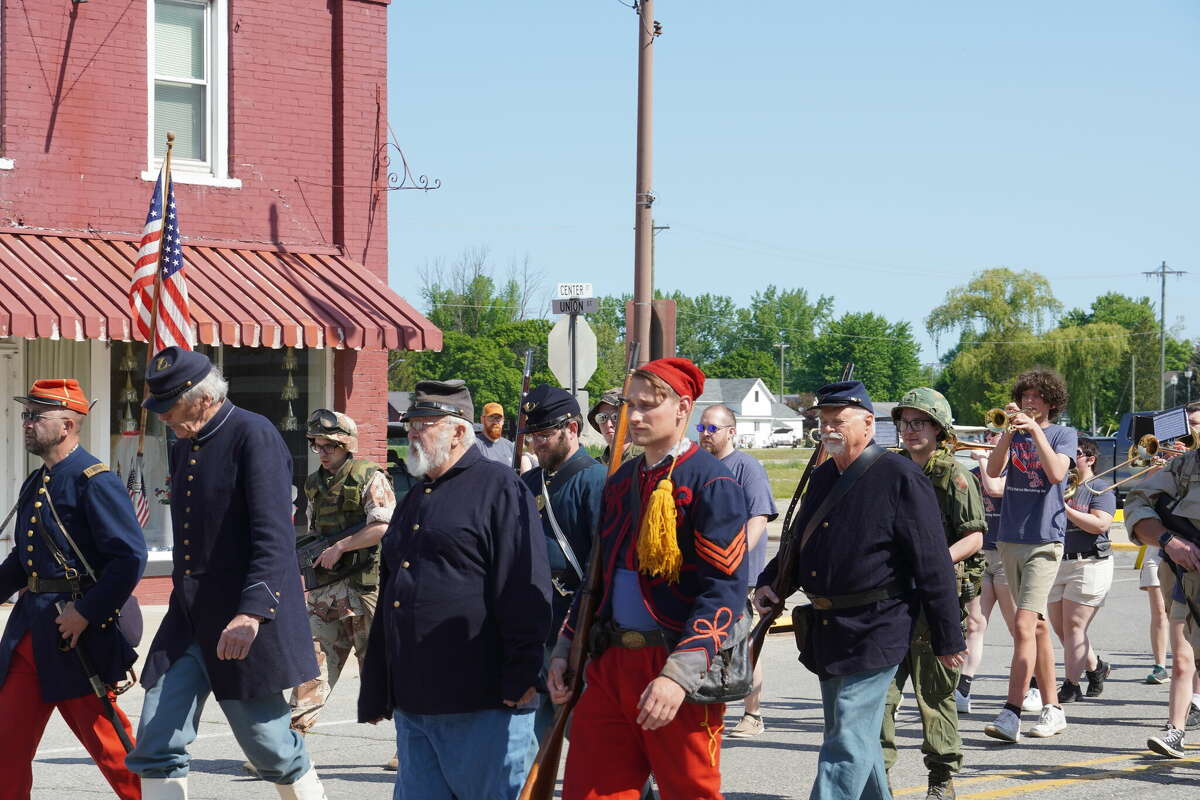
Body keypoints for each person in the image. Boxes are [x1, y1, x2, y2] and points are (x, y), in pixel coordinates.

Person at [126, 348, 326, 800]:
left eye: (170, 406)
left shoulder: (253, 434)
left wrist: (251, 613)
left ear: (203, 399)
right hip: (189, 619)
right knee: (157, 738)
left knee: (271, 749)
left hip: (242, 619)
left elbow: (274, 535)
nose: (162, 417)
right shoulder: (184, 443)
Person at [547, 358, 749, 800]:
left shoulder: (711, 482)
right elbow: (596, 578)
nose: (634, 416)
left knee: (689, 793)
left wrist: (679, 675)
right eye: (629, 405)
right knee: (589, 792)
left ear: (683, 408)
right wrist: (565, 648)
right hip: (610, 661)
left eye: (647, 406)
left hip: (674, 659)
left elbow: (724, 592)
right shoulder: (621, 481)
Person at [755, 381, 966, 800]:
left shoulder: (901, 477)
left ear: (868, 424)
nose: (827, 429)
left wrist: (947, 636)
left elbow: (933, 563)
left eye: (838, 421)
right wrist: (771, 581)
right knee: (855, 736)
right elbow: (800, 539)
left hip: (878, 627)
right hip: (828, 628)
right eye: (823, 421)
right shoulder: (822, 476)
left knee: (846, 740)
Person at [358, 379, 551, 800]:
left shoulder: (499, 487)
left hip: (481, 698)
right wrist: (377, 684)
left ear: (459, 431)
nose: (412, 433)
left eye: (423, 424)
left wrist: (523, 672)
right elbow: (393, 592)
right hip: (415, 699)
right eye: (410, 424)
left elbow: (524, 585)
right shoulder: (414, 497)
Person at [0, 379, 147, 800]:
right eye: (25, 414)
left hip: (75, 637)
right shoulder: (37, 481)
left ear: (67, 425)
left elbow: (129, 557)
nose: (26, 423)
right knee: (5, 747)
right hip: (29, 633)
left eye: (35, 416)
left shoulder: (93, 481)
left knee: (111, 748)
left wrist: (86, 613)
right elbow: (23, 560)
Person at [881, 388, 985, 800]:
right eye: (904, 422)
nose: (910, 430)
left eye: (919, 422)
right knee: (881, 696)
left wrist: (933, 563)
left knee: (935, 695)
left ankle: (941, 779)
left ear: (939, 428)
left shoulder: (954, 475)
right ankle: (877, 778)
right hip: (892, 600)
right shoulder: (890, 470)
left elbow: (974, 536)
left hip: (935, 602)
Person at [291, 410, 396, 760]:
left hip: (365, 588)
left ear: (347, 445)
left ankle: (409, 745)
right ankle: (290, 745)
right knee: (311, 663)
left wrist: (341, 547)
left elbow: (382, 526)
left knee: (382, 669)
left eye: (330, 446)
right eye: (317, 445)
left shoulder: (369, 476)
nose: (322, 452)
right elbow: (314, 531)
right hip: (327, 591)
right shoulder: (313, 483)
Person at [983, 369, 1077, 743]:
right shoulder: (1014, 432)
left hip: (1044, 541)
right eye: (1025, 395)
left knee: (1023, 625)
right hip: (1009, 538)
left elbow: (1056, 473)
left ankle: (1012, 711)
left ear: (1051, 402)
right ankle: (1053, 709)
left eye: (1036, 396)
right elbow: (993, 473)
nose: (1028, 401)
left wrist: (1035, 430)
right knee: (1036, 628)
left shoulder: (1063, 434)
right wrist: (1008, 432)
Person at [518, 384, 607, 742]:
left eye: (544, 435)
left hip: (576, 625)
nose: (536, 444)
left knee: (587, 736)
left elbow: (604, 562)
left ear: (571, 429)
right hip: (534, 624)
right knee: (531, 739)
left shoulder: (596, 480)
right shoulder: (528, 482)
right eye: (532, 436)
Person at [696, 403, 779, 739]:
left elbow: (758, 518)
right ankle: (705, 710)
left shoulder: (746, 467)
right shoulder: (698, 467)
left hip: (736, 576)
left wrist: (733, 560)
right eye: (701, 428)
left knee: (742, 645)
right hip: (703, 573)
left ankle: (753, 714)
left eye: (711, 429)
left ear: (731, 432)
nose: (704, 434)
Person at [1125, 421, 1200, 758]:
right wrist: (1169, 541)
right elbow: (1137, 501)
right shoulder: (1184, 466)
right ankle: (1175, 731)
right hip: (1188, 576)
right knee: (1183, 657)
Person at [1047, 437, 1115, 703]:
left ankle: (1071, 685)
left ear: (1090, 459)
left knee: (1075, 626)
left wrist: (1065, 509)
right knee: (1064, 631)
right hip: (1058, 561)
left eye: (1075, 453)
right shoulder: (1059, 485)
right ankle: (1096, 667)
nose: (1069, 457)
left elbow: (1100, 525)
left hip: (1090, 562)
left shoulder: (1100, 488)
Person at [958, 430, 1017, 715]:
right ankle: (963, 688)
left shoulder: (1015, 472)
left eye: (998, 435)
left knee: (1018, 627)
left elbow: (994, 489)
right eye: (989, 434)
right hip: (982, 555)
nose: (990, 439)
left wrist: (983, 461)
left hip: (1007, 553)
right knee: (974, 624)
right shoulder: (971, 475)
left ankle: (1031, 685)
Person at [589, 387, 643, 464]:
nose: (608, 424)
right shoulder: (595, 466)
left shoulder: (645, 461)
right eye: (602, 417)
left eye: (616, 417)